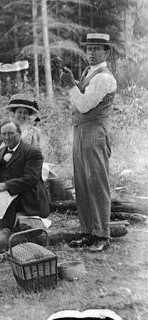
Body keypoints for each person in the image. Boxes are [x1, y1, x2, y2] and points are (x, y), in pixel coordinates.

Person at [61, 33, 117, 252]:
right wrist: (73, 82)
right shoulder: (89, 72)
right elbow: (83, 96)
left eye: (96, 48)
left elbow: (84, 105)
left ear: (106, 51)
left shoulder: (104, 77)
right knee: (82, 183)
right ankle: (87, 232)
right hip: (81, 131)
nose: (91, 52)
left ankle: (102, 234)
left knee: (96, 183)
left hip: (95, 133)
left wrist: (70, 86)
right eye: (89, 48)